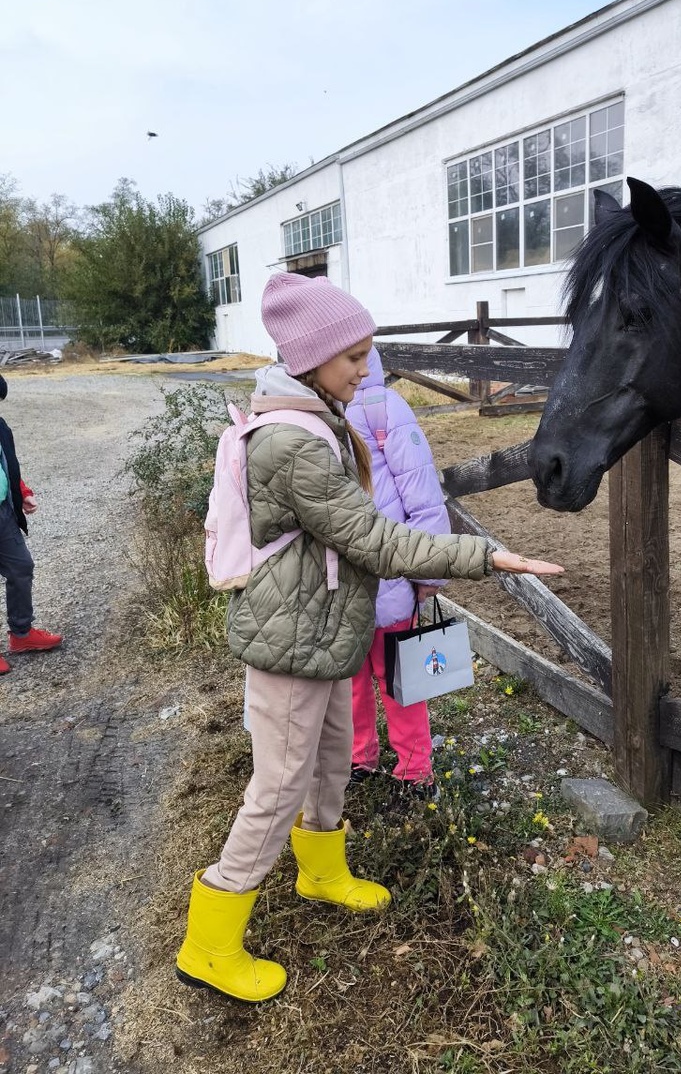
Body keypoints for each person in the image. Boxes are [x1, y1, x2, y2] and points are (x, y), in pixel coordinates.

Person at [176, 273, 563, 1004]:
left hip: (319, 632)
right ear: (311, 357)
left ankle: (321, 870)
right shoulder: (294, 441)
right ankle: (210, 940)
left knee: (326, 760)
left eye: (366, 354)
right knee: (278, 784)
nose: (364, 369)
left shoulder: (316, 415)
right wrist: (484, 555)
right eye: (353, 356)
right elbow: (373, 540)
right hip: (293, 642)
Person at [345, 344, 448, 791]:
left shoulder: (383, 409)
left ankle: (413, 769)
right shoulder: (310, 415)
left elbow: (423, 497)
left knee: (400, 679)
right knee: (348, 679)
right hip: (340, 587)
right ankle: (358, 758)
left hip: (390, 582)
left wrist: (427, 575)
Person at [0, 373, 62, 675]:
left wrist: (22, 492)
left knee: (22, 567)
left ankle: (21, 635)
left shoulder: (0, 427)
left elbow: (8, 466)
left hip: (3, 512)